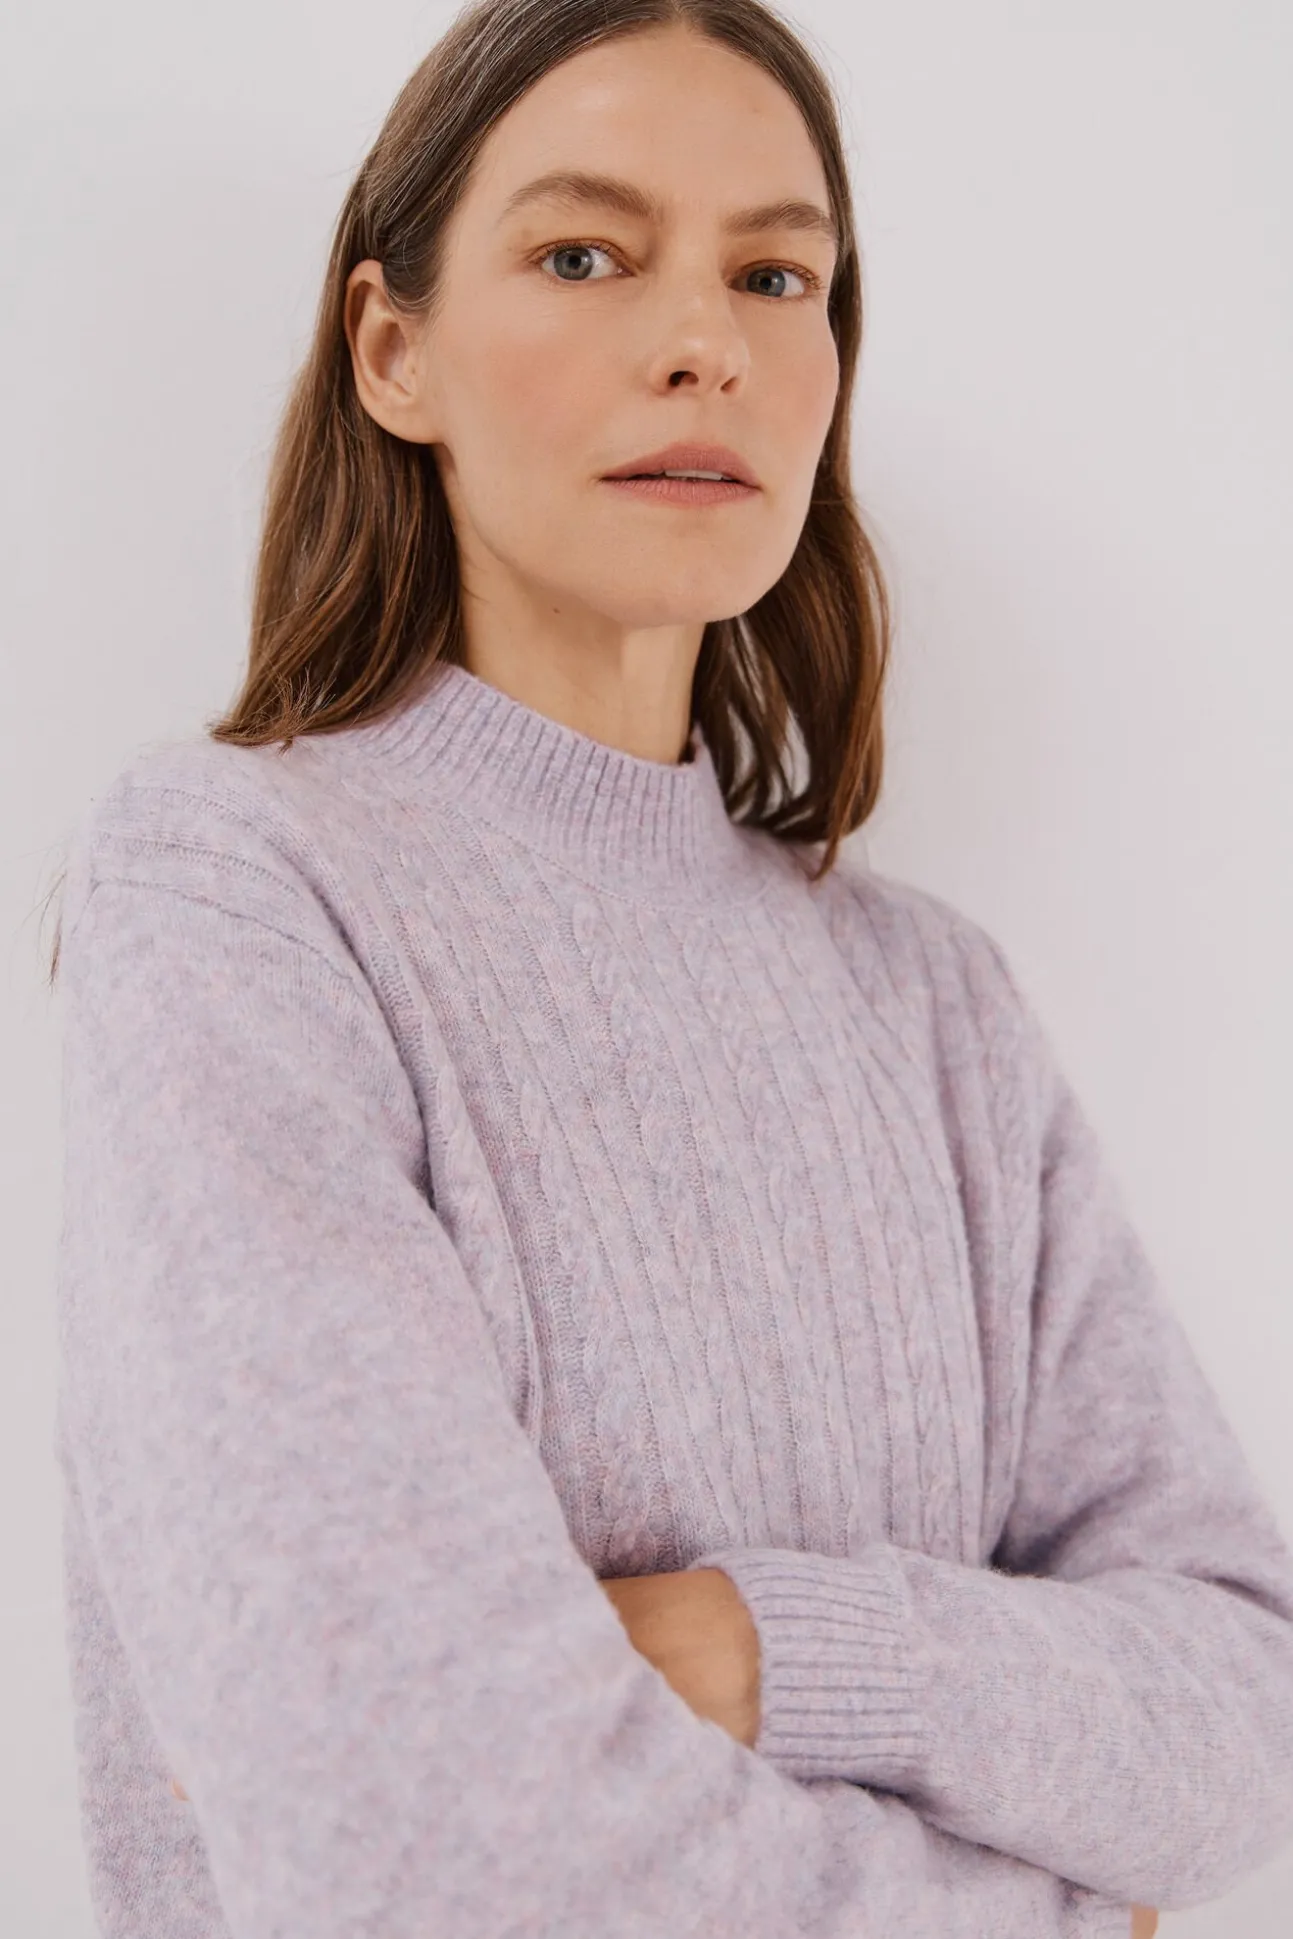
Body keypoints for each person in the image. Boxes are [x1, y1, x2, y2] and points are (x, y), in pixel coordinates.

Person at [48, 3, 1293, 1935]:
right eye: (583, 255)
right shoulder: (237, 891)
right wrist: (1063, 1904)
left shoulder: (934, 1002)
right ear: (393, 350)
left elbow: (1249, 1701)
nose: (705, 338)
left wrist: (774, 1643)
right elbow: (420, 1831)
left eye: (775, 275)